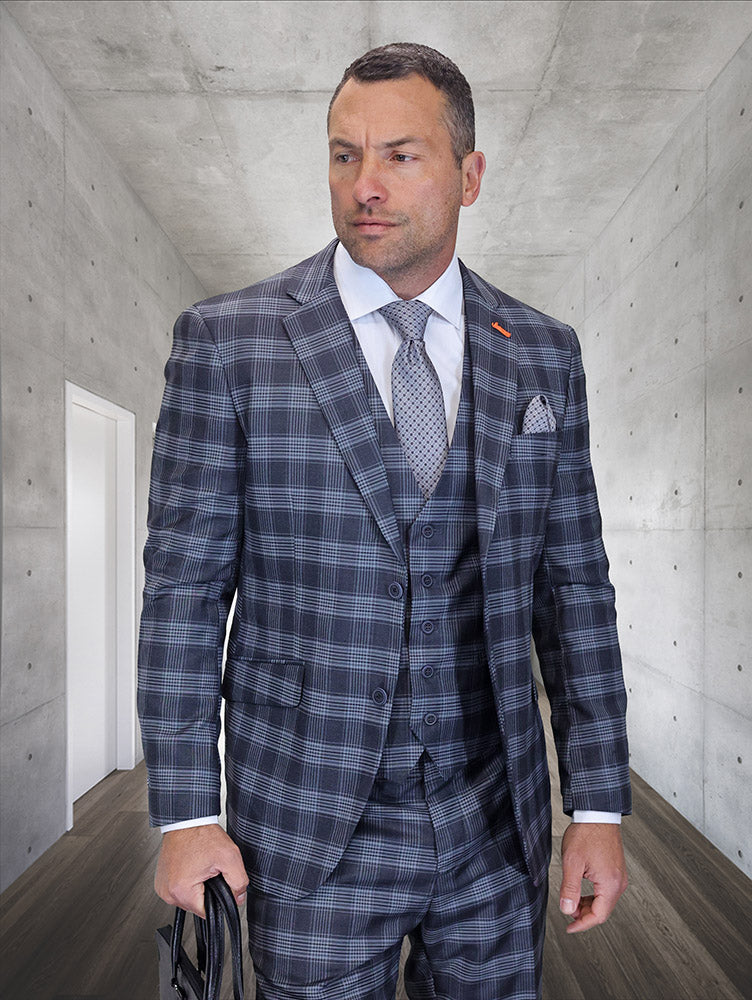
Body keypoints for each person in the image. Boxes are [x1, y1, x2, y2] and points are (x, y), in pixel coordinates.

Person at [138, 42, 631, 1000]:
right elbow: (184, 593)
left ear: (469, 176)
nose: (364, 184)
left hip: (496, 826)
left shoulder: (542, 352)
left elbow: (574, 585)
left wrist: (598, 804)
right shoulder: (229, 343)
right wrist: (187, 814)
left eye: (400, 155)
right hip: (306, 831)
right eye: (343, 155)